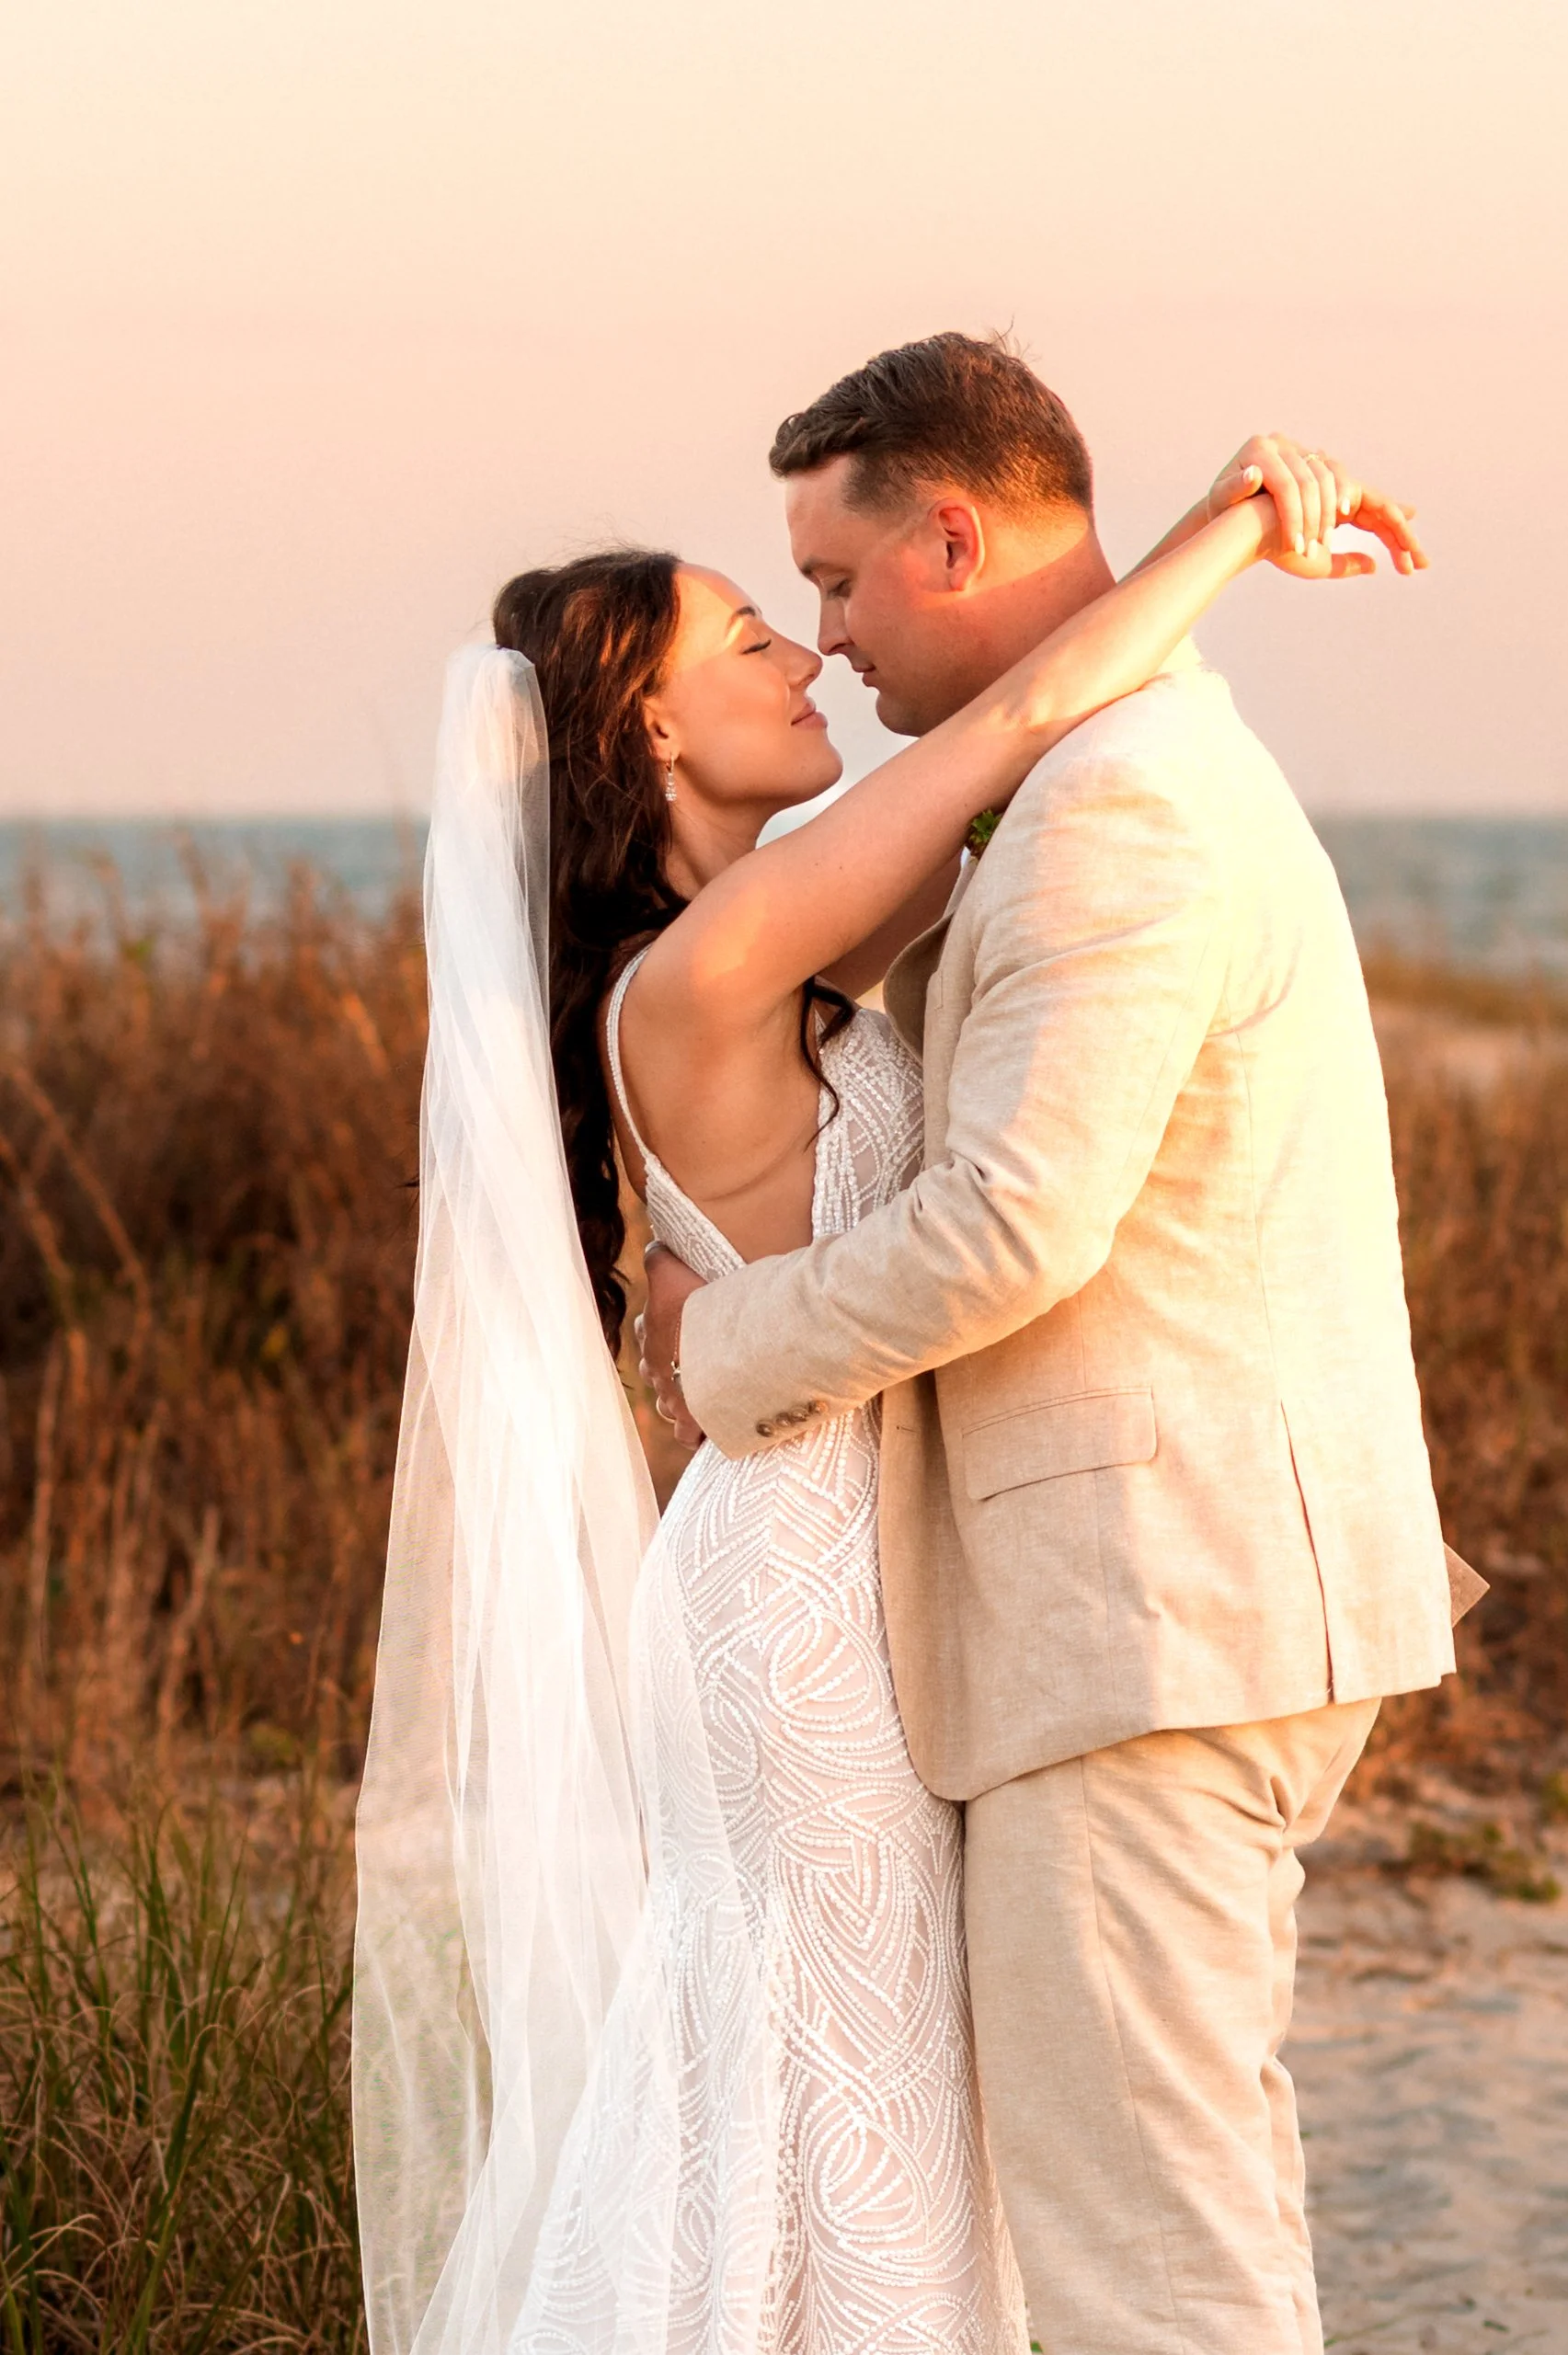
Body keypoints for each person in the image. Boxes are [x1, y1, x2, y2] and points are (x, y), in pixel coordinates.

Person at [353, 342, 1430, 2355]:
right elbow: (1020, 704)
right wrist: (1221, 531)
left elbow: (1023, 748)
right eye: (765, 628)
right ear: (647, 730)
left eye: (820, 597)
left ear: (943, 528)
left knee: (896, 2119)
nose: (819, 653)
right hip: (814, 1598)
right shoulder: (714, 965)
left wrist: (1179, 562)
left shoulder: (844, 915)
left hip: (945, 1580)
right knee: (842, 2093)